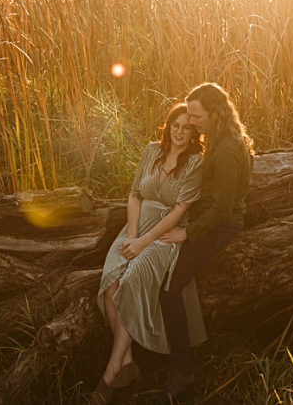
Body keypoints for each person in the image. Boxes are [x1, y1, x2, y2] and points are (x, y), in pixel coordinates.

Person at [91, 103, 206, 404]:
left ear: (194, 131)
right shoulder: (151, 151)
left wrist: (144, 242)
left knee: (133, 281)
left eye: (186, 127)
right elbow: (134, 194)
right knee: (110, 285)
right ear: (168, 127)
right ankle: (128, 362)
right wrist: (132, 235)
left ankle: (111, 372)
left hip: (164, 235)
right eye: (175, 126)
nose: (180, 132)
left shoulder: (195, 163)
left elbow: (180, 210)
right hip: (134, 228)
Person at [157, 82, 255, 399]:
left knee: (170, 288)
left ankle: (183, 370)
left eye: (197, 116)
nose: (192, 121)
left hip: (220, 228)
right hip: (206, 221)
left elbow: (224, 210)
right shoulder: (218, 139)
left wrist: (188, 232)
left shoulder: (226, 151)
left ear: (214, 114)